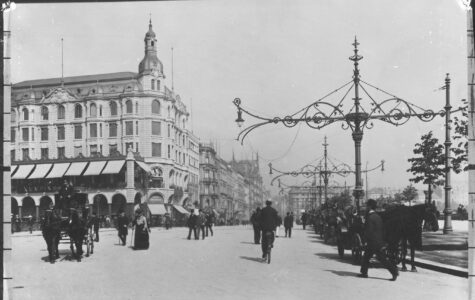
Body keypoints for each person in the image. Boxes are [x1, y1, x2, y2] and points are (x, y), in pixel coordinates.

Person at [358, 199, 398, 281]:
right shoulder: (378, 216)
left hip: (372, 242)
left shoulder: (370, 217)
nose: (366, 208)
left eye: (367, 206)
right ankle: (394, 272)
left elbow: (369, 231)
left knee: (372, 258)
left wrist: (365, 240)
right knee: (376, 258)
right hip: (379, 241)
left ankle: (394, 272)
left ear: (369, 207)